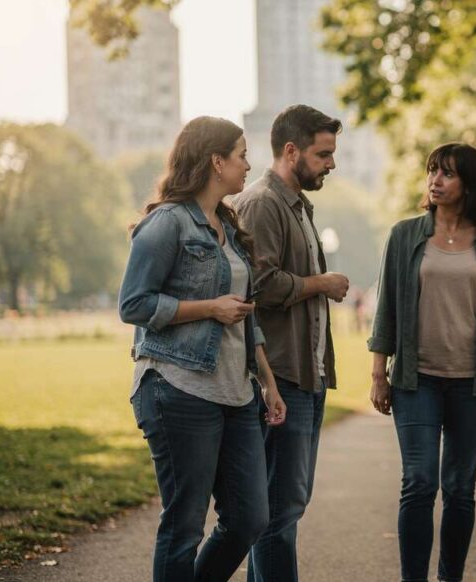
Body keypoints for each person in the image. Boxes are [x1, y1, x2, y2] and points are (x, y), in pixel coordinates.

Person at [119, 116, 287, 582]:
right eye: (241, 155)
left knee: (251, 517)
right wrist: (207, 307)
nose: (248, 164)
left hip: (237, 393)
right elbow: (133, 303)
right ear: (217, 162)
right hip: (178, 386)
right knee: (184, 526)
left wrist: (268, 383)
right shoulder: (167, 223)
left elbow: (245, 315)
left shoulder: (229, 228)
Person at [368, 142, 476, 582]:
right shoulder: (404, 236)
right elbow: (387, 310)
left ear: (468, 184)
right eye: (432, 171)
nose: (435, 180)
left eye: (447, 174)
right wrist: (379, 373)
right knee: (418, 483)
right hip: (416, 382)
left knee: (459, 489)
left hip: (472, 385)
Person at [233, 104, 350, 582]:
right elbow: (260, 285)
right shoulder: (263, 203)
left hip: (307, 373)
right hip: (281, 373)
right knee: (279, 511)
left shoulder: (297, 204)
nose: (331, 164)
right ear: (290, 150)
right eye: (323, 154)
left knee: (286, 507)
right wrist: (319, 283)